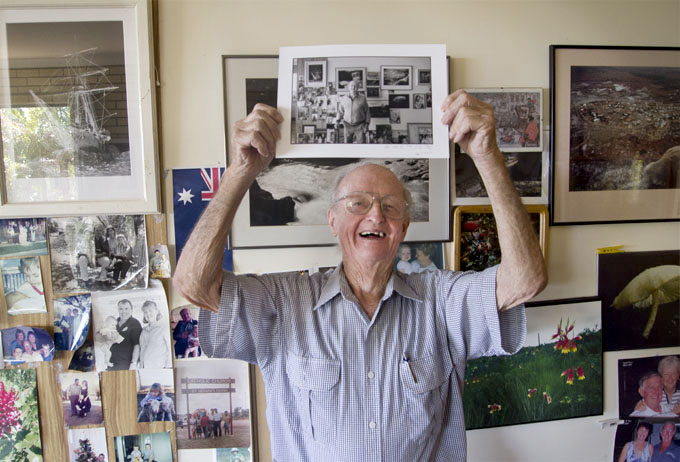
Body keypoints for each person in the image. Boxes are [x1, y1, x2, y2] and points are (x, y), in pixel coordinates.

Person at [173, 92, 547, 461]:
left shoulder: (441, 302)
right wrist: (242, 169)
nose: (376, 215)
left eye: (390, 206)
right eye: (358, 203)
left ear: (403, 227)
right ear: (332, 221)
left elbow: (525, 281)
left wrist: (487, 156)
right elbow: (194, 284)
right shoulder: (284, 302)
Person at [108, 299, 142, 370]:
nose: (123, 312)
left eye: (126, 309)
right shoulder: (114, 322)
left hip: (125, 364)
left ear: (131, 310)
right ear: (118, 310)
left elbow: (137, 345)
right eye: (121, 309)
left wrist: (133, 363)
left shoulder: (135, 323)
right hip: (110, 362)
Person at [138, 300, 172, 368]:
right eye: (145, 312)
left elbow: (170, 350)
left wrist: (167, 367)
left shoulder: (164, 328)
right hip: (145, 368)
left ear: (157, 311)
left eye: (150, 311)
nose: (148, 314)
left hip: (160, 368)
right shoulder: (143, 331)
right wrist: (141, 367)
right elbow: (142, 351)